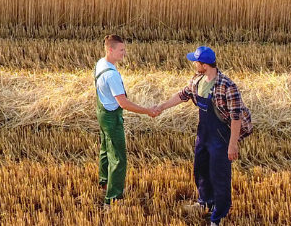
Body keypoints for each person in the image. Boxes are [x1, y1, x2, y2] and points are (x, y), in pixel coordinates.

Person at [154, 46, 252, 226]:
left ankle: (219, 216)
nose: (194, 64)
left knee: (219, 176)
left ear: (205, 65)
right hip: (203, 134)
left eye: (196, 62)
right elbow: (183, 95)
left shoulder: (227, 86)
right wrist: (161, 107)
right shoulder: (197, 80)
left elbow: (235, 117)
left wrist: (232, 145)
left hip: (221, 137)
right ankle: (205, 202)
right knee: (200, 170)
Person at [94, 35, 160, 207]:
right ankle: (113, 198)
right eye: (121, 50)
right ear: (110, 50)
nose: (124, 53)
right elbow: (123, 103)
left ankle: (104, 182)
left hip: (101, 112)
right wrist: (147, 111)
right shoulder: (112, 76)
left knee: (105, 149)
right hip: (111, 117)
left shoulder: (101, 63)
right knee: (118, 157)